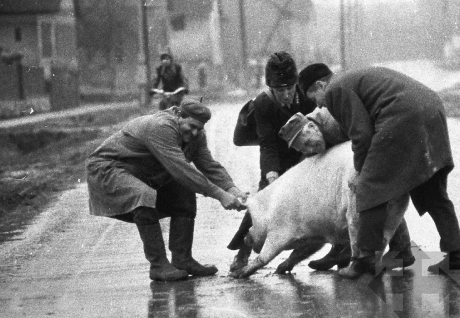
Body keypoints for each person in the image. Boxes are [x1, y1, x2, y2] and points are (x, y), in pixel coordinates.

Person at [297, 63, 460, 278]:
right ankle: (457, 256)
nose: (319, 105)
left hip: (402, 115)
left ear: (320, 85)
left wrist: (362, 173)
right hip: (430, 107)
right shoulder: (351, 77)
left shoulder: (335, 89)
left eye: (314, 97)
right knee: (431, 189)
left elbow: (361, 134)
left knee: (370, 188)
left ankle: (365, 260)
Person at [86, 99, 247, 282]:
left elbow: (208, 164)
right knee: (143, 194)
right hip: (107, 169)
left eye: (199, 129)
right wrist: (219, 195)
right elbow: (181, 169)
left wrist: (232, 189)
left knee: (183, 191)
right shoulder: (161, 127)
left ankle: (182, 259)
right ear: (178, 114)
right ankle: (158, 266)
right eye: (191, 126)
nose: (194, 132)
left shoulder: (196, 135)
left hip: (140, 172)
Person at [228, 51, 349, 272]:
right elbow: (268, 145)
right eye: (279, 90)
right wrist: (271, 174)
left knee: (327, 201)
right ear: (270, 88)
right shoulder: (263, 104)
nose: (285, 95)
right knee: (264, 199)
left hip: (311, 149)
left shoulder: (306, 95)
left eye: (289, 89)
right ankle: (243, 249)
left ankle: (337, 250)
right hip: (280, 154)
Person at [278, 110, 415, 271]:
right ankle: (341, 251)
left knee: (377, 196)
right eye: (303, 149)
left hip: (382, 146)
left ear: (312, 127)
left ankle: (399, 249)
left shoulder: (336, 123)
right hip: (369, 153)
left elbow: (363, 140)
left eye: (308, 144)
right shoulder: (316, 136)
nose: (309, 150)